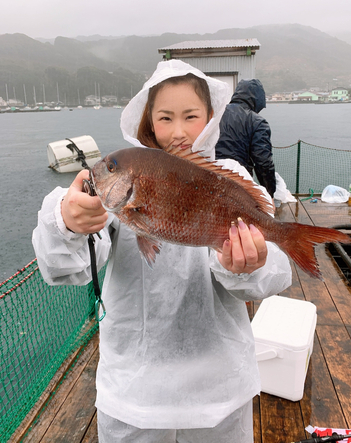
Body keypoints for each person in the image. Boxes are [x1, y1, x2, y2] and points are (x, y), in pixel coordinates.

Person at [32, 59, 291, 443]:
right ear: (148, 122)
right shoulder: (126, 178)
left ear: (211, 117)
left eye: (191, 116)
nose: (179, 131)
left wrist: (249, 264)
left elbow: (273, 274)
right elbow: (69, 267)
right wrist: (69, 223)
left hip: (217, 391)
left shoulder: (229, 173)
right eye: (165, 118)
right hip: (133, 394)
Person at [215, 79, 277, 198]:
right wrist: (269, 194)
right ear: (257, 100)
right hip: (240, 182)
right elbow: (263, 162)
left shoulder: (215, 114)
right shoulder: (257, 122)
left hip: (210, 177)